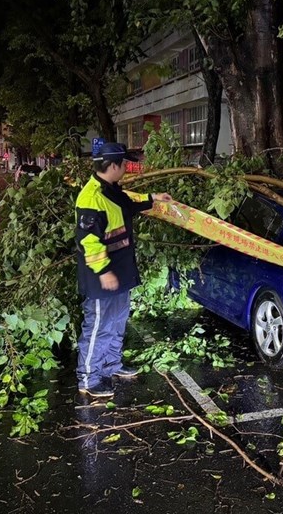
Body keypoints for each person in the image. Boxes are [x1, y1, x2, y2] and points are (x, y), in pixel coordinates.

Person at [75, 142, 172, 398]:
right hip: (102, 277)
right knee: (98, 326)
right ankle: (89, 378)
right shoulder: (91, 198)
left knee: (117, 321)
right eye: (125, 164)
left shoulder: (112, 189)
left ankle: (111, 365)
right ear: (114, 166)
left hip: (120, 271)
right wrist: (104, 271)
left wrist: (153, 198)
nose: (127, 169)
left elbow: (128, 204)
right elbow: (88, 241)